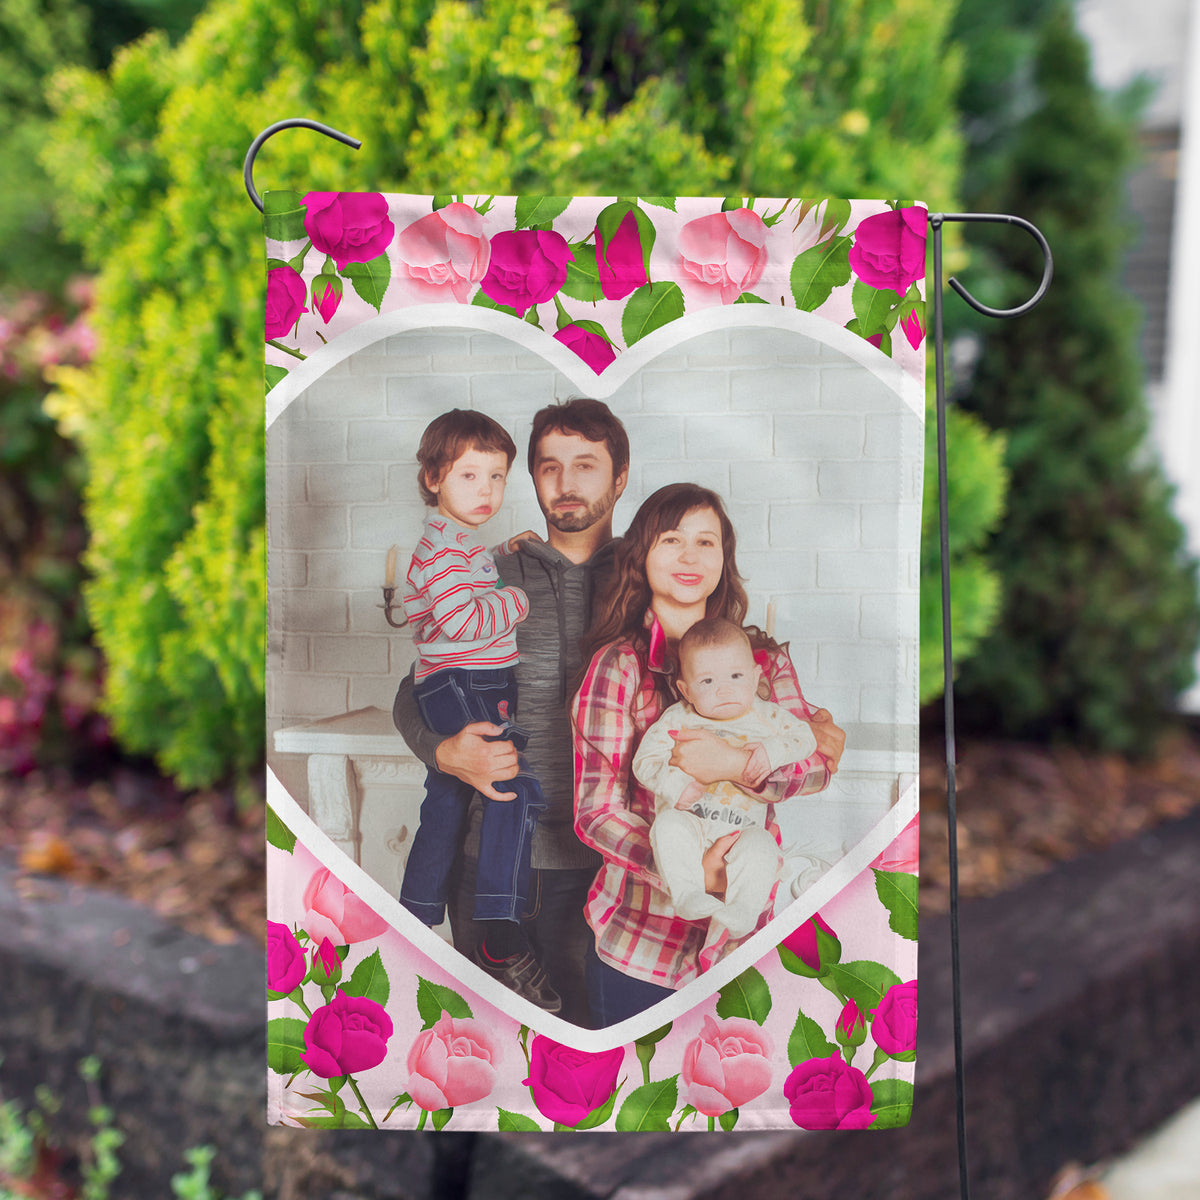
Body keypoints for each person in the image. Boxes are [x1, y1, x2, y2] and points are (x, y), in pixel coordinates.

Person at [571, 483, 846, 1027]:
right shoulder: (618, 667)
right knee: (635, 1101)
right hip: (640, 941)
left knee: (728, 1103)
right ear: (642, 556)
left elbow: (814, 765)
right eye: (672, 540)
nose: (691, 556)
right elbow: (595, 812)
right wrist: (690, 871)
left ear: (725, 559)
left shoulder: (762, 661)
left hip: (742, 941)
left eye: (707, 542)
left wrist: (735, 765)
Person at [393, 398, 629, 1027]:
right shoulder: (492, 568)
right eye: (550, 467)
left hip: (612, 870)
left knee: (595, 1062)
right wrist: (444, 752)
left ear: (620, 479)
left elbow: (713, 670)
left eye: (586, 465)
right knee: (488, 1058)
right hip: (492, 864)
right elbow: (415, 685)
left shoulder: (649, 574)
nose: (567, 482)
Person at [397, 409, 559, 1009]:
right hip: (467, 680)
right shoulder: (442, 549)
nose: (486, 490)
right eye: (470, 476)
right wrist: (515, 600)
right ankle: (499, 929)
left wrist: (497, 552)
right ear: (435, 476)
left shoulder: (455, 544)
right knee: (510, 791)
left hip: (455, 679)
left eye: (497, 477)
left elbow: (458, 585)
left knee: (446, 799)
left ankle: (416, 914)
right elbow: (465, 617)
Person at [633, 617, 821, 940]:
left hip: (742, 831)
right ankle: (688, 894)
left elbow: (806, 738)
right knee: (666, 829)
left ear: (755, 676)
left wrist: (771, 752)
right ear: (685, 689)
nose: (724, 689)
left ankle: (743, 910)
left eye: (736, 676)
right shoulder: (678, 718)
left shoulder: (766, 715)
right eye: (706, 681)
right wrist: (676, 786)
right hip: (690, 823)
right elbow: (644, 761)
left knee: (763, 848)